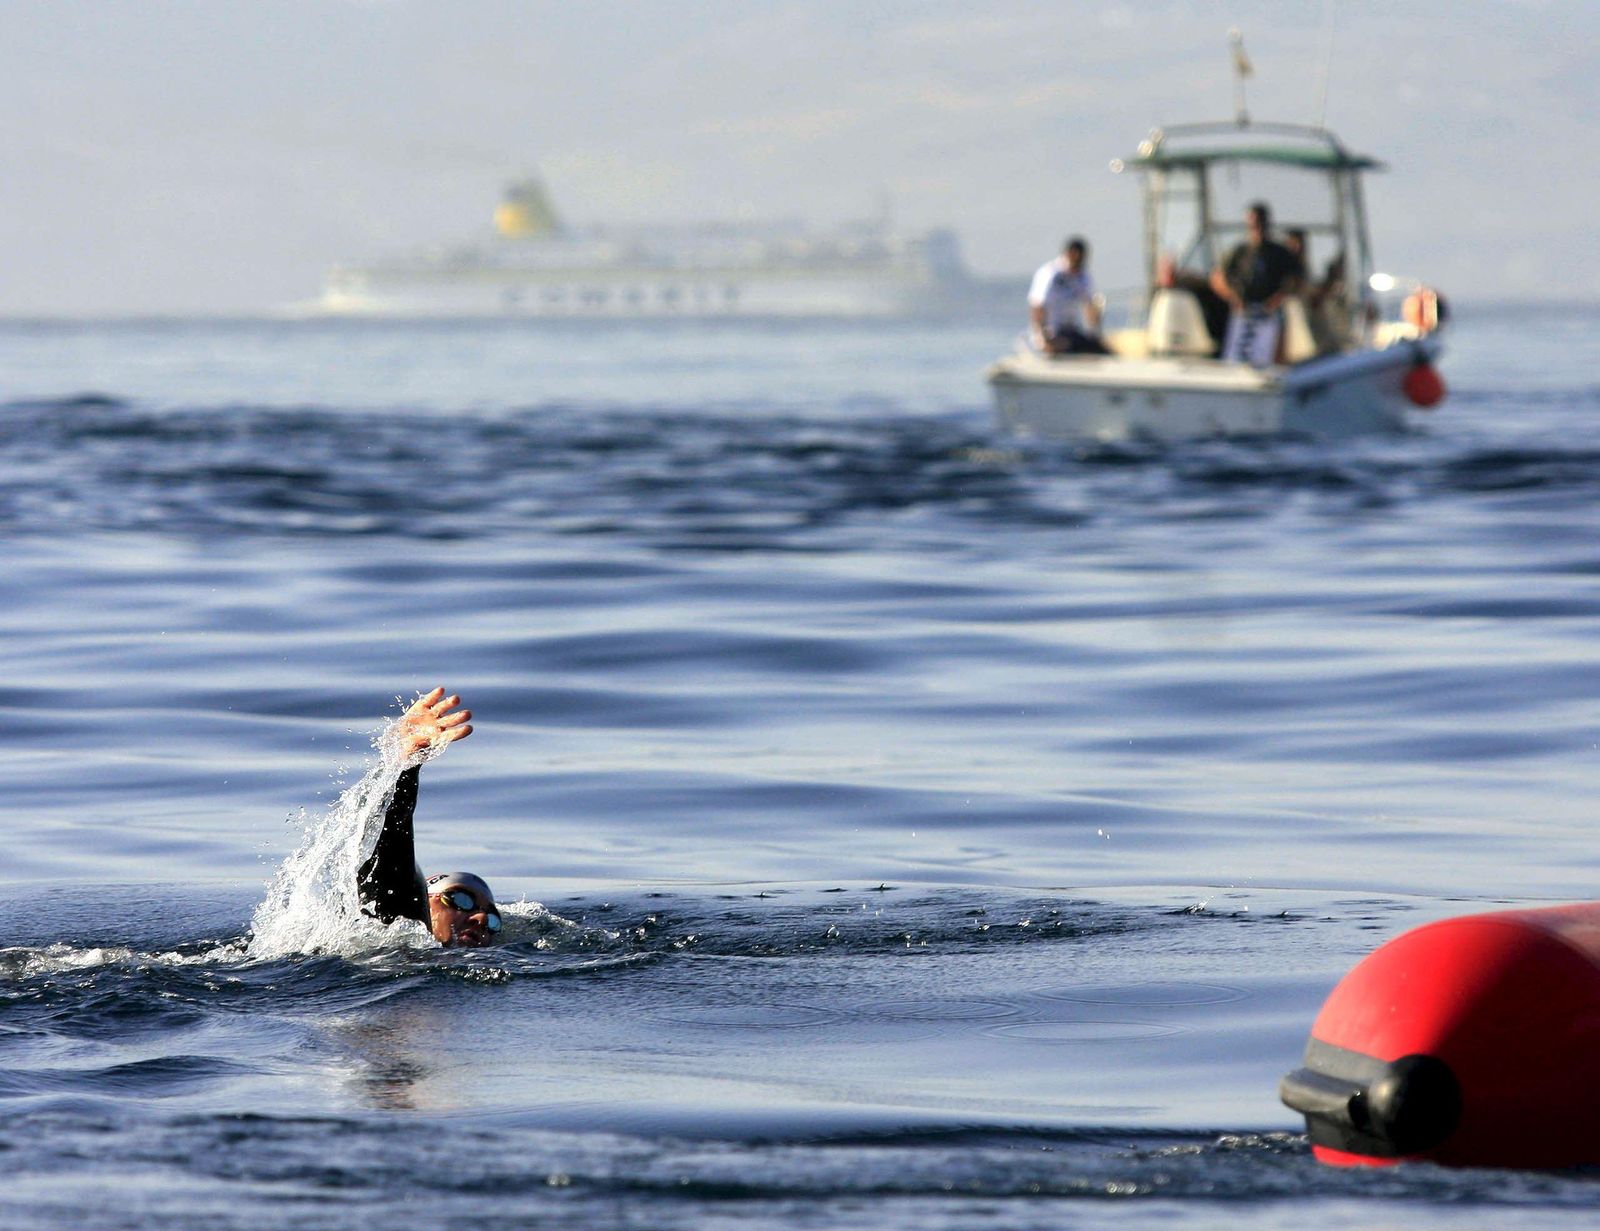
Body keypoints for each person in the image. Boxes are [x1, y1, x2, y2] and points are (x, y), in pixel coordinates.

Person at [356, 687, 502, 947]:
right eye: (461, 900)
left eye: (494, 920)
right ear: (425, 901)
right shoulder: (398, 924)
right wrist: (407, 764)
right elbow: (390, 847)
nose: (480, 917)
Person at [1208, 202, 1302, 366]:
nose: (1256, 227)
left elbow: (1296, 279)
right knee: (1237, 357)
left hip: (1270, 312)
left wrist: (1278, 298)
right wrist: (1233, 298)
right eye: (1252, 223)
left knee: (1268, 356)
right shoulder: (1239, 252)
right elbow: (1217, 277)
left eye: (1259, 223)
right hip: (1243, 312)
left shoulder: (1278, 253)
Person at [1028, 236, 1111, 356]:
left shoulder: (1082, 276)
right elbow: (1037, 306)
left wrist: (1096, 334)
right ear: (1071, 254)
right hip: (1050, 334)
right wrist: (1042, 340)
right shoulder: (1050, 274)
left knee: (1102, 351)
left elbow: (1090, 304)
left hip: (1070, 331)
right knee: (1068, 347)